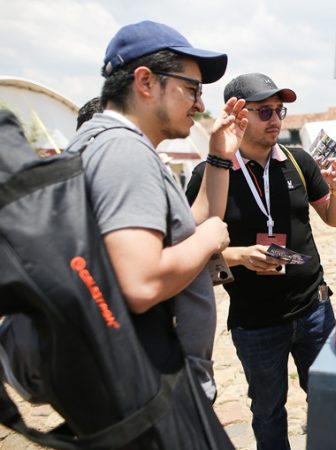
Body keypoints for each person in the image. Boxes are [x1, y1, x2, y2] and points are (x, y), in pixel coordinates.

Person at [67, 20, 248, 394]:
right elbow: (142, 282)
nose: (200, 105)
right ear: (146, 82)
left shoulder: (103, 142)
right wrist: (209, 240)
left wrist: (218, 157)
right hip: (155, 383)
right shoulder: (124, 152)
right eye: (191, 89)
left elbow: (190, 220)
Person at [185, 72, 336, 449]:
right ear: (237, 115)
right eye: (264, 111)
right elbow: (190, 248)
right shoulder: (211, 174)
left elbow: (334, 218)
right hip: (256, 322)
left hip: (314, 309)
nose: (276, 120)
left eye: (280, 110)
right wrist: (239, 256)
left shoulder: (298, 160)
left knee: (330, 403)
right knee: (268, 413)